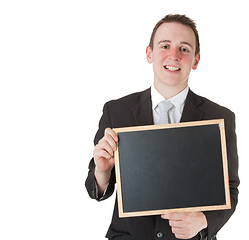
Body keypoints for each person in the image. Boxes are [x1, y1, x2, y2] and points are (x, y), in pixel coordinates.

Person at [85, 14, 239, 240]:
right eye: (165, 46)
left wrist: (203, 221)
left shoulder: (220, 118)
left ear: (195, 60)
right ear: (150, 53)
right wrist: (102, 171)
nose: (174, 55)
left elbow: (230, 190)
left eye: (184, 49)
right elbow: (96, 189)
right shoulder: (117, 111)